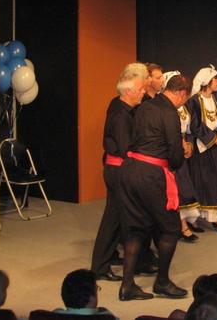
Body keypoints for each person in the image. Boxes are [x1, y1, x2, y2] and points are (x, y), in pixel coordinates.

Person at [118, 74, 192, 301]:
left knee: (136, 228)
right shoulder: (169, 113)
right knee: (171, 228)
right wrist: (179, 160)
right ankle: (162, 282)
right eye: (185, 99)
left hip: (130, 169)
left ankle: (127, 286)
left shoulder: (144, 106)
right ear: (182, 94)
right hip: (152, 174)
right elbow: (175, 152)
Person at [91, 68, 146, 282]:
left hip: (114, 169)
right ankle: (100, 266)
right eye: (140, 89)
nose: (143, 92)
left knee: (114, 220)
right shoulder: (122, 115)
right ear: (128, 91)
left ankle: (104, 263)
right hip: (118, 171)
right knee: (113, 221)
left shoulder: (121, 107)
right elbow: (126, 149)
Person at [185, 65, 217, 233]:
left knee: (213, 180)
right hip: (200, 147)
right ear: (207, 81)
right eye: (216, 79)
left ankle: (214, 217)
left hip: (214, 147)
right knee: (200, 181)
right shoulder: (193, 101)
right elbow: (194, 124)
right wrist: (212, 138)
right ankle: (195, 217)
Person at [162, 71, 202, 244]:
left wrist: (188, 144)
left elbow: (189, 129)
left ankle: (184, 220)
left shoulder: (183, 107)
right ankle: (180, 224)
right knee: (173, 190)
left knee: (183, 188)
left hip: (182, 151)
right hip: (170, 152)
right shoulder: (164, 108)